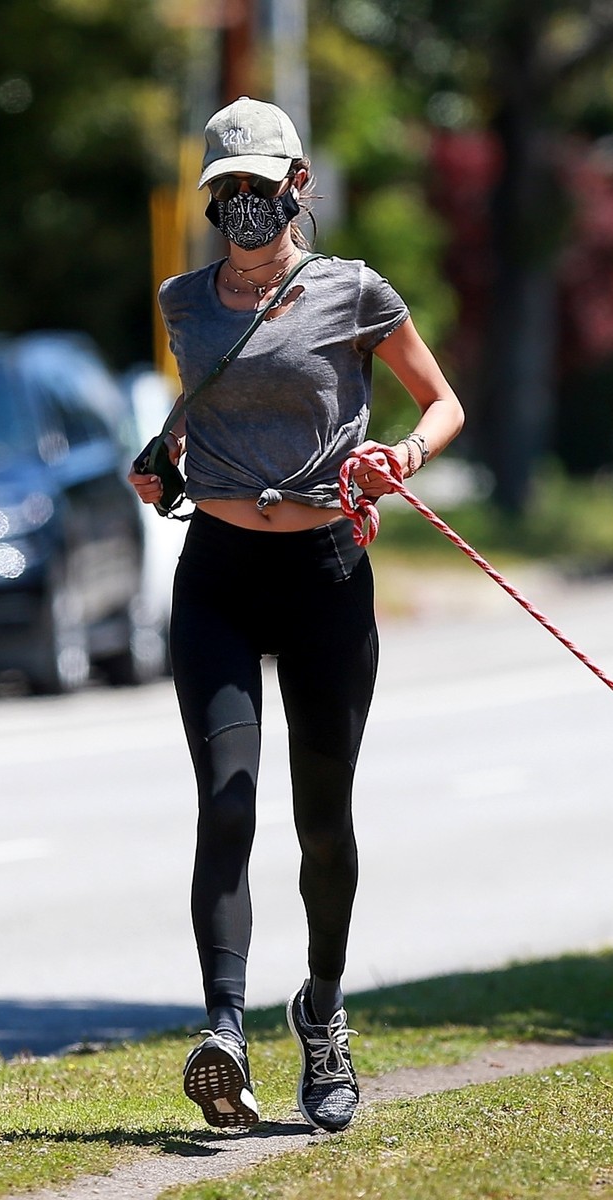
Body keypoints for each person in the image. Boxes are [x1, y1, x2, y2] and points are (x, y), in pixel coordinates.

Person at [129, 95, 465, 1135]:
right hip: (218, 571)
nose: (243, 206)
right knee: (227, 802)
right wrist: (166, 461)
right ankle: (224, 1031)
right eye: (224, 191)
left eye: (258, 187)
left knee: (324, 821)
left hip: (324, 571)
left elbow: (441, 401)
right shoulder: (184, 302)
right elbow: (210, 415)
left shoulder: (354, 292)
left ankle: (322, 1015)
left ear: (298, 187)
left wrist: (399, 457)